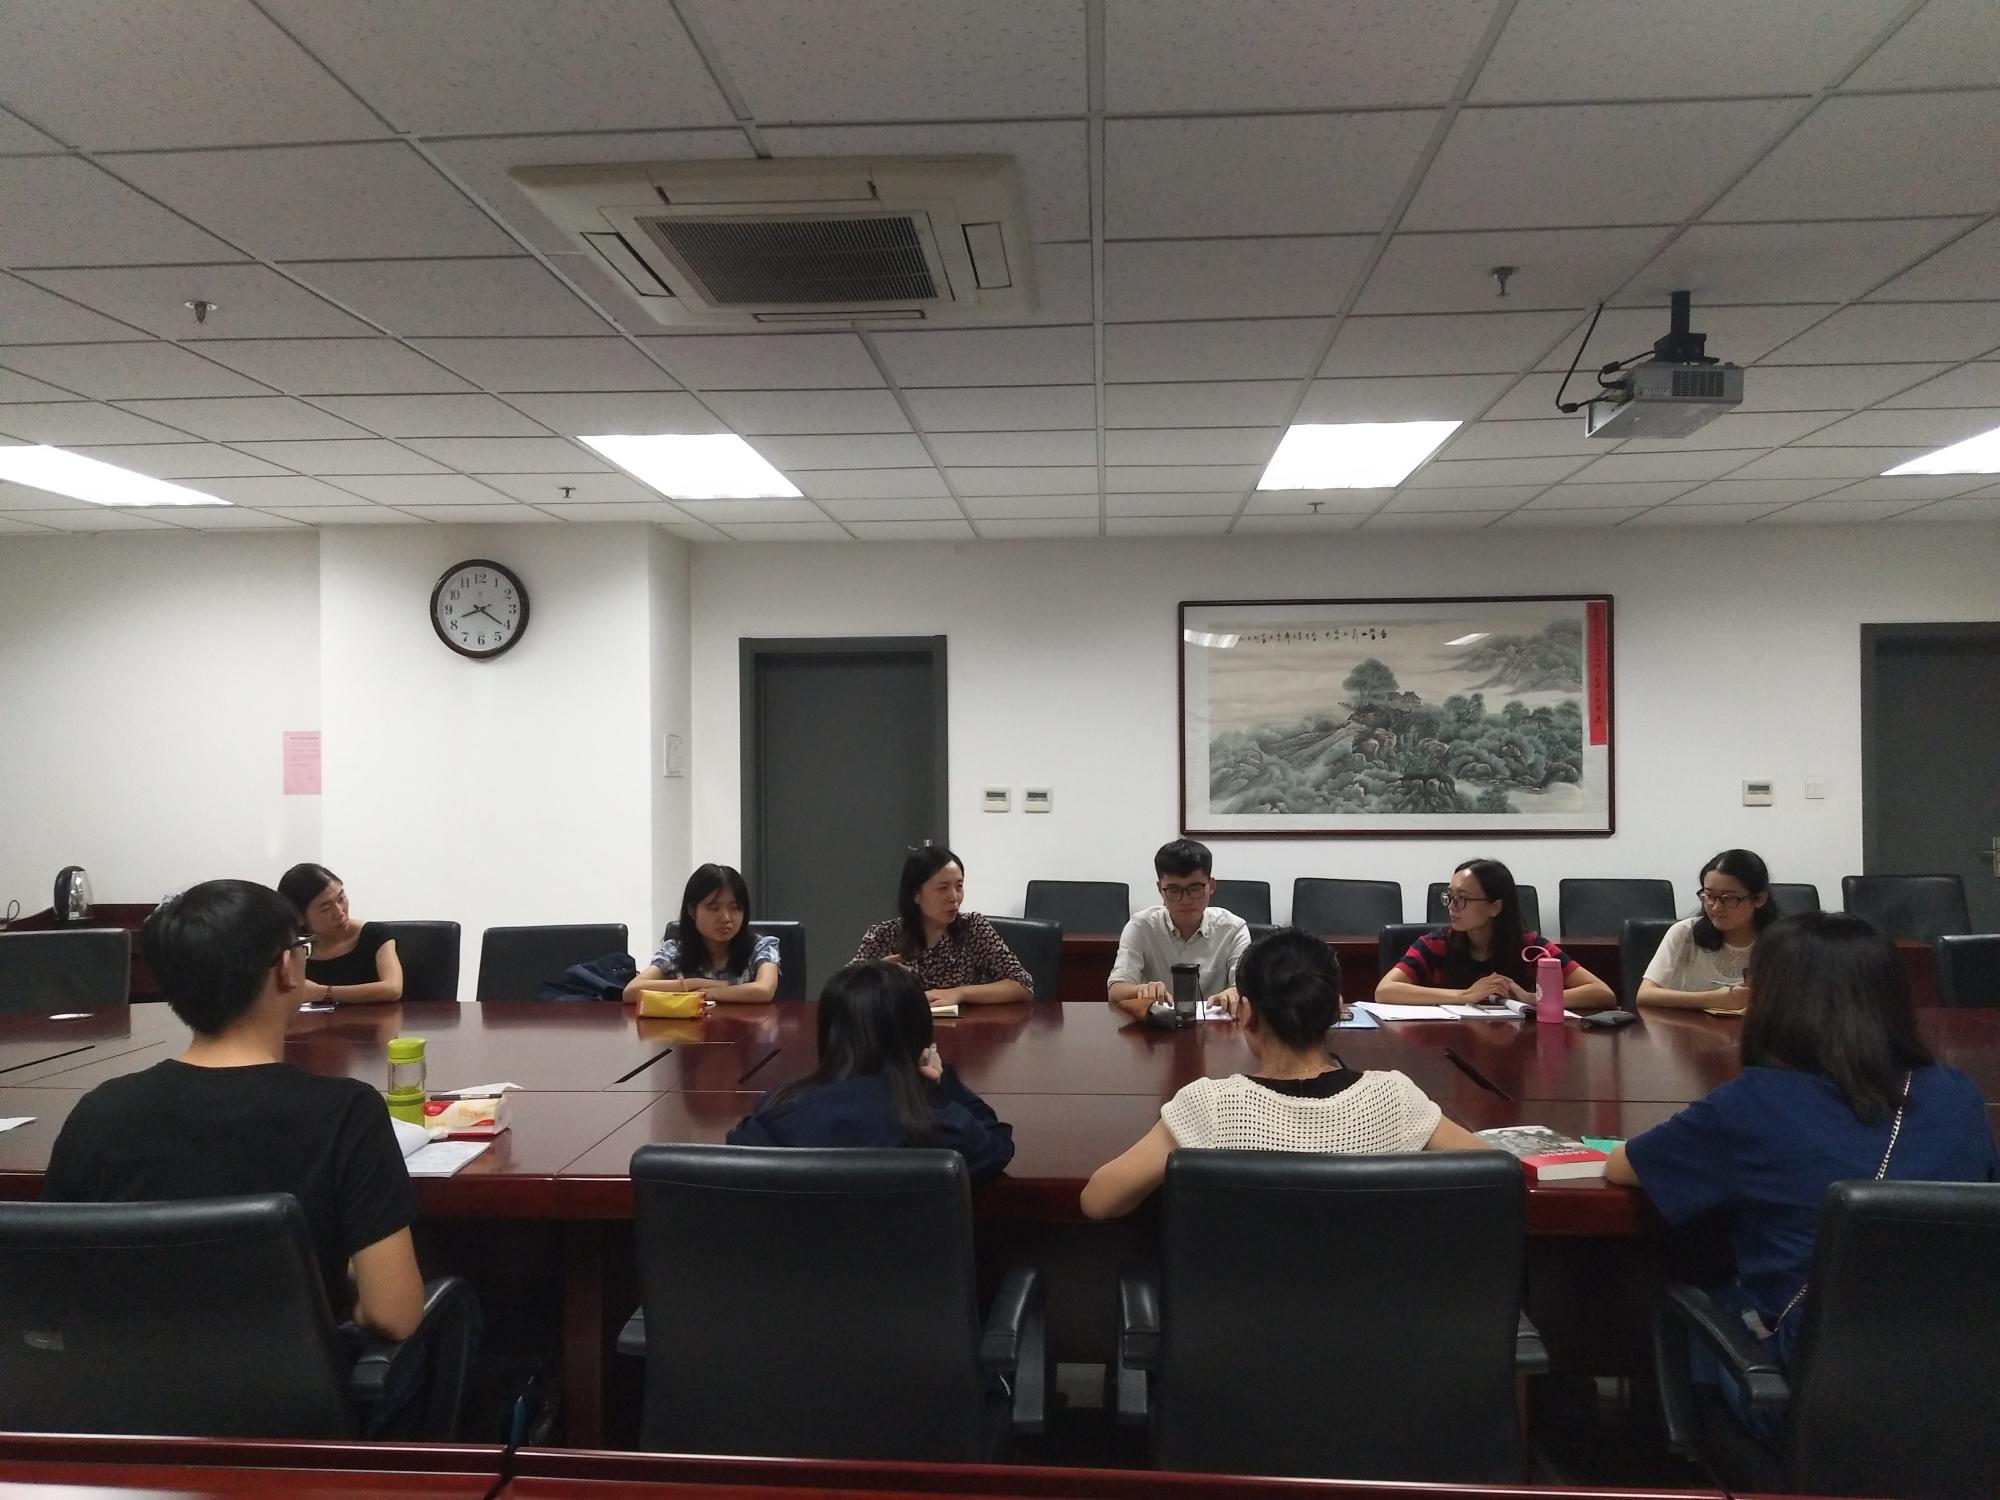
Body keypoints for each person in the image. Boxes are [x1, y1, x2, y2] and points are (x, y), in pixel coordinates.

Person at [1606, 912, 1998, 1430]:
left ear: (1774, 997)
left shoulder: (1752, 1104)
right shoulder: (1957, 1094)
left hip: (1803, 1402)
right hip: (1961, 1391)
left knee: (1687, 1282)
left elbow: (1624, 1165)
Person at [43, 879, 425, 1342]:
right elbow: (394, 1315)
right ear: (286, 969)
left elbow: (55, 1296)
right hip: (299, 1387)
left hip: (124, 1384)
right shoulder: (348, 1113)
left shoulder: (96, 1114)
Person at [1081, 928, 1489, 1219]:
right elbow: (1495, 1175)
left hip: (1234, 1315)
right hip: (1379, 1312)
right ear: (1338, 1010)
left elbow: (1097, 1201)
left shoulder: (1209, 1105)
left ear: (1245, 1013)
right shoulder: (1395, 1098)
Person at [727, 962, 1015, 1184]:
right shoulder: (938, 1126)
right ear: (918, 1036)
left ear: (828, 1034)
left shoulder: (775, 1110)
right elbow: (997, 1144)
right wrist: (939, 1086)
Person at [1374, 857, 1614, 1011]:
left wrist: (1531, 999)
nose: (1452, 906)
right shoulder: (1434, 944)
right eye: (1450, 896)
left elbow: (1602, 993)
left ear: (1495, 907)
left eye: (1462, 898)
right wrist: (1464, 996)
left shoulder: (1531, 948)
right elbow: (1385, 990)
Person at [851, 847, 1033, 1007]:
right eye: (942, 888)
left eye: (959, 886)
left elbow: (1023, 985)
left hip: (965, 1029)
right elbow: (844, 992)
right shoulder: (884, 935)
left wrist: (959, 993)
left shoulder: (974, 928)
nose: (954, 897)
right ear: (916, 894)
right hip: (902, 1031)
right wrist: (876, 973)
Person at [1108, 838, 1251, 1021]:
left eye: (1195, 889)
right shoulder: (1141, 927)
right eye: (1174, 890)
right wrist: (1141, 990)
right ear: (1160, 889)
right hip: (1157, 1031)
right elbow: (1115, 991)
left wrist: (1235, 992)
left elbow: (1248, 990)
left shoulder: (1233, 929)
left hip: (1218, 1029)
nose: (1185, 900)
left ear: (1211, 886)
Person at [1637, 849, 1779, 1013]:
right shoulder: (1685, 933)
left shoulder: (1783, 942)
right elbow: (1645, 995)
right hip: (1686, 1028)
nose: (1716, 907)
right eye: (1709, 896)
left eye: (1729, 899)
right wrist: (1714, 999)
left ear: (1760, 898)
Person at [624, 863, 780, 1004]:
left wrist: (706, 993)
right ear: (692, 911)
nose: (726, 918)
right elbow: (631, 992)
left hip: (748, 1026)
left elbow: (764, 990)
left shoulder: (761, 947)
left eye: (735, 908)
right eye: (714, 908)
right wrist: (697, 983)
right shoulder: (675, 950)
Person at [277, 863, 403, 1005]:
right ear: (299, 917)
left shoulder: (375, 934)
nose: (339, 912)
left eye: (341, 899)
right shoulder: (294, 948)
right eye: (325, 908)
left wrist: (322, 993)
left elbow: (393, 989)